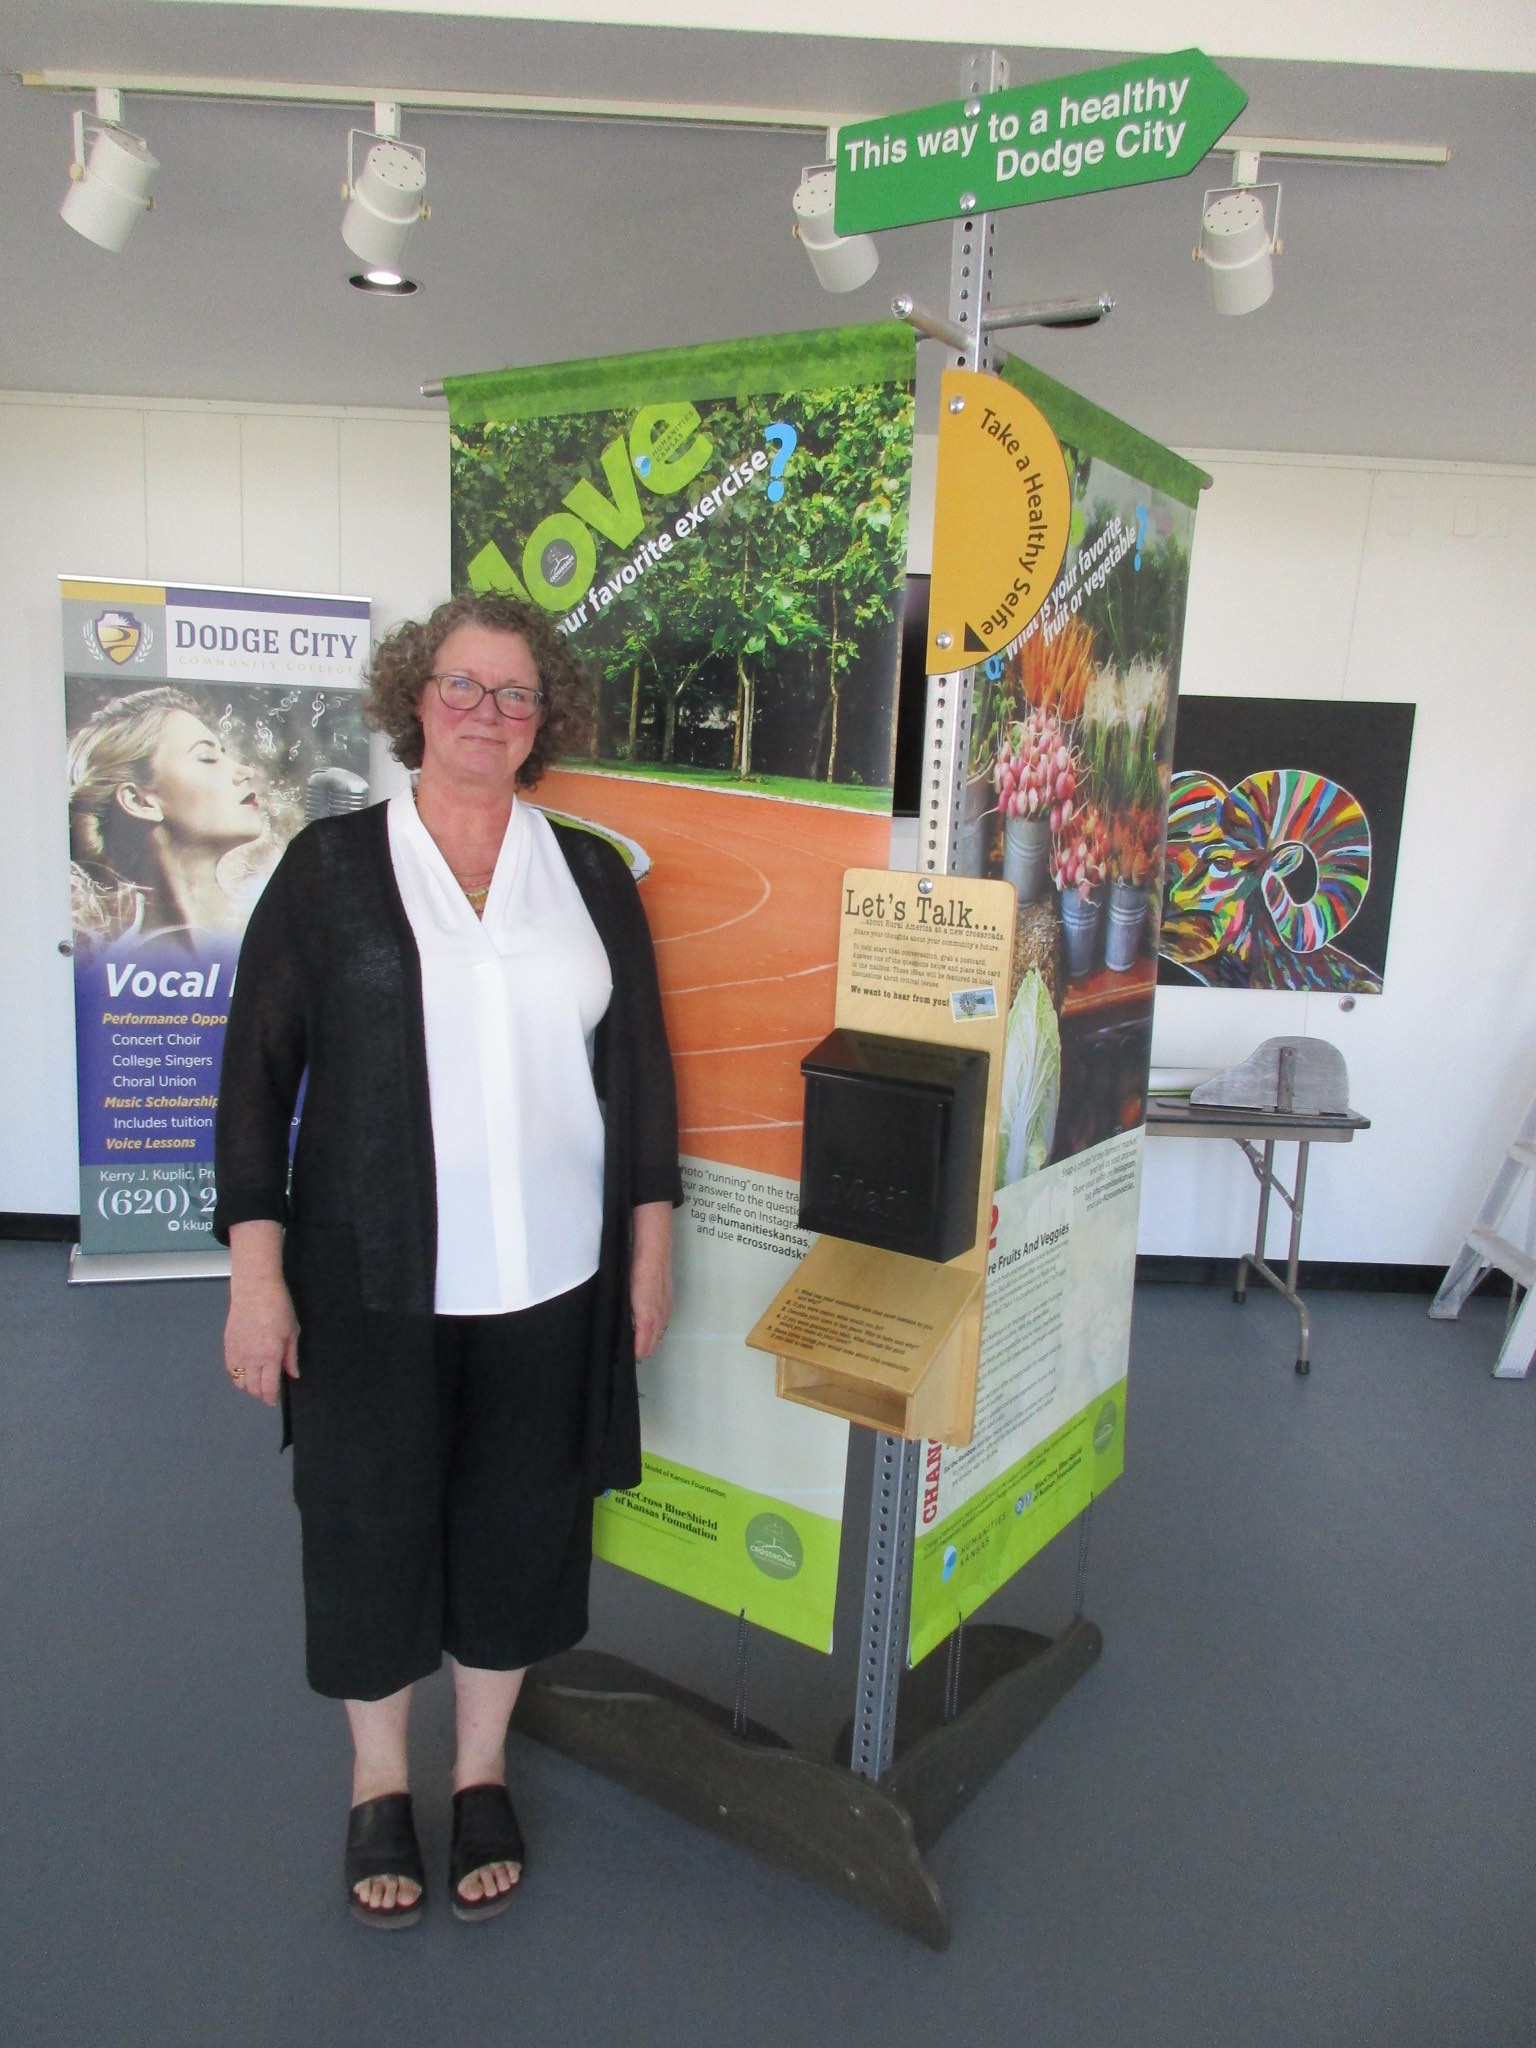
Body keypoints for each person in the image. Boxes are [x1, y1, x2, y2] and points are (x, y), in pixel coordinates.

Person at [214, 591, 680, 1930]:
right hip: (370, 1281)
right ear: (416, 699)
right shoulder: (332, 867)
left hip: (555, 1276)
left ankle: (477, 1770)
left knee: (521, 1523)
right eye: (464, 688)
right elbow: (256, 1079)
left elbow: (638, 1075)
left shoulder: (588, 874)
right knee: (369, 1525)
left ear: (546, 721)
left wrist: (649, 1252)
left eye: (515, 695)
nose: (487, 714)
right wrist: (259, 1275)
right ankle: (378, 1779)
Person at [68, 688, 263, 950]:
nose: (244, 771)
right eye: (207, 758)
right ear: (139, 801)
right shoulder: (112, 976)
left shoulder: (282, 930)